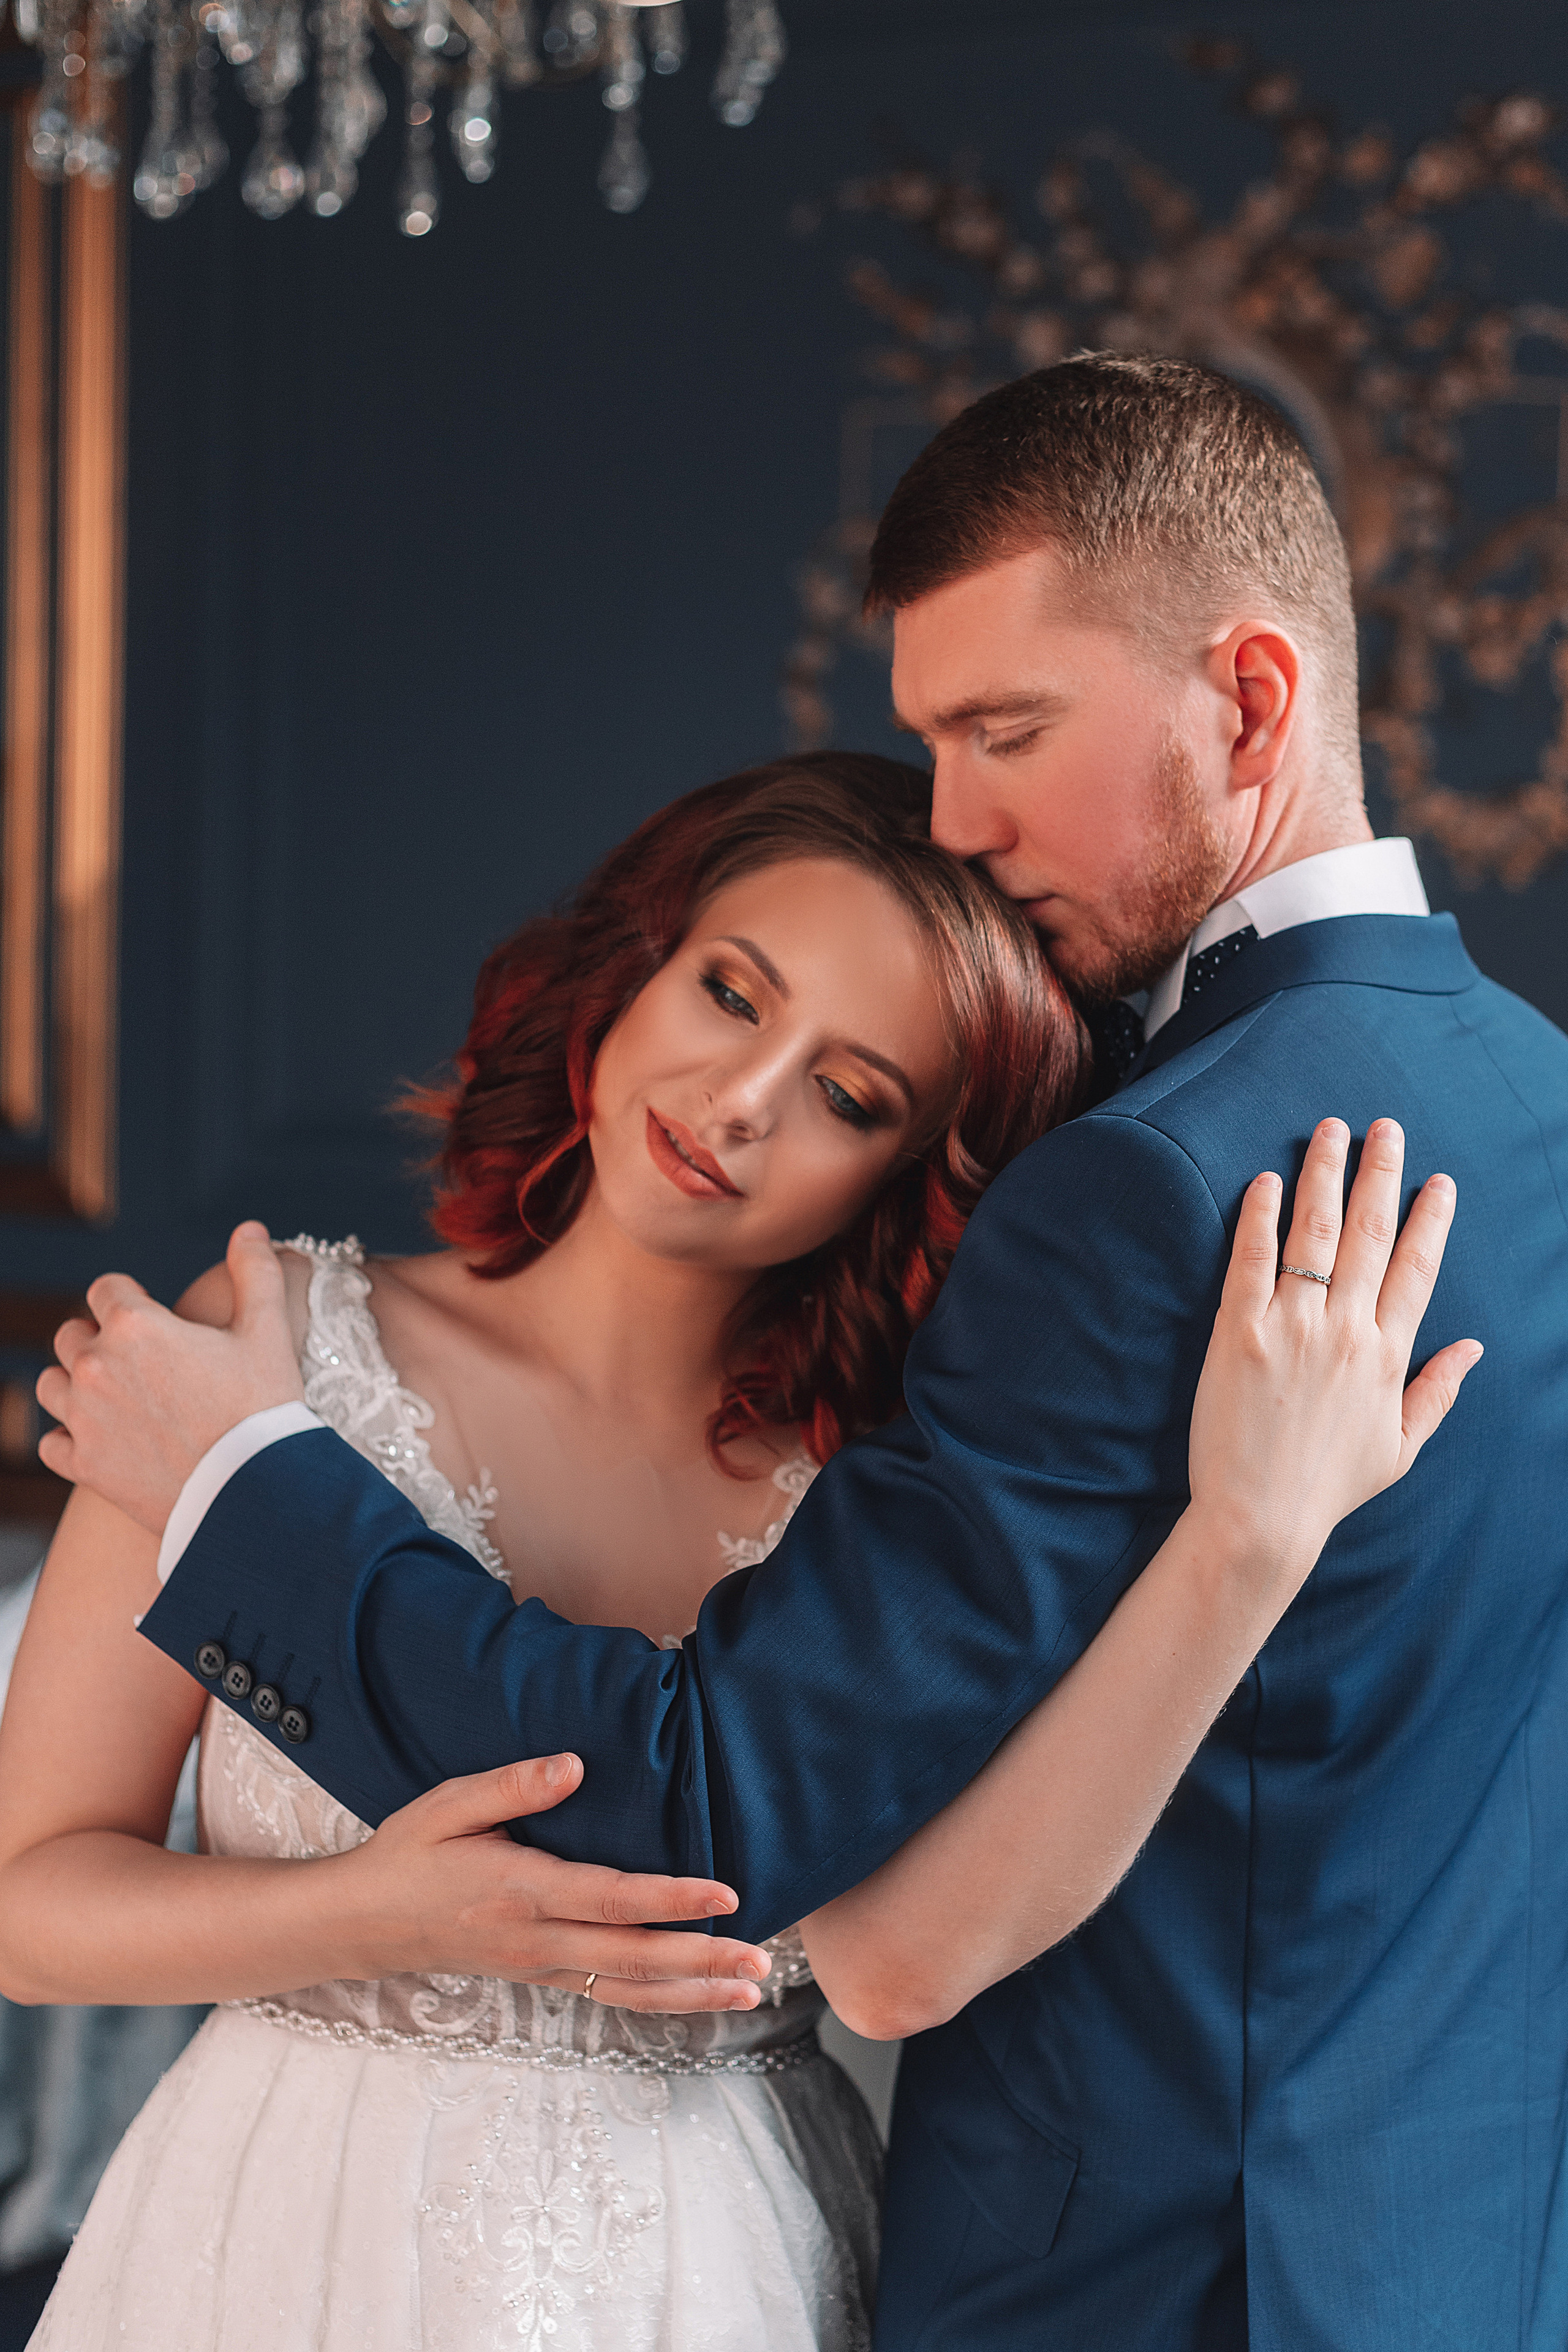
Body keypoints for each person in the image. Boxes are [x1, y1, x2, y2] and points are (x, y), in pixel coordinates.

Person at [25, 355, 1553, 2349]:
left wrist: (240, 1484)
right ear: (624, 973)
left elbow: (735, 1836)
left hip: (1102, 2279)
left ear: (1251, 696)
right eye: (729, 990)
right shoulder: (1524, 1103)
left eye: (1008, 729)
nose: (963, 816)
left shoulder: (1131, 1192)